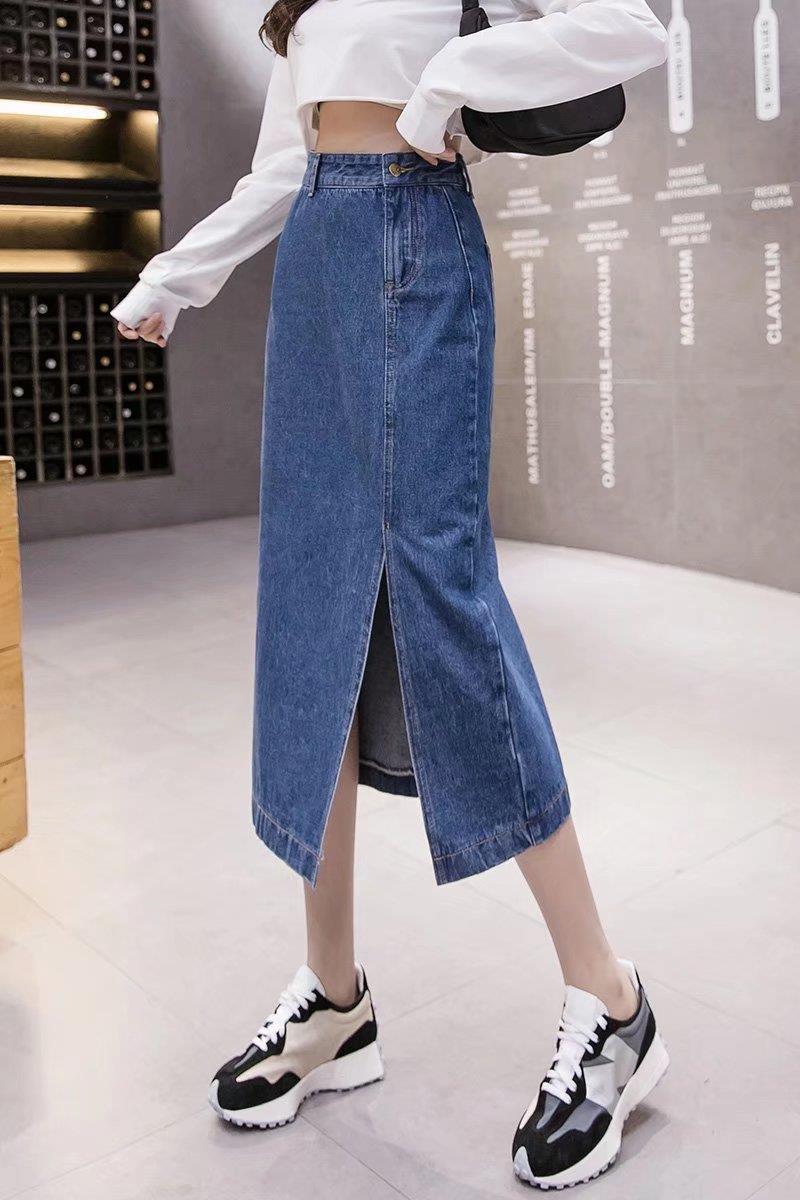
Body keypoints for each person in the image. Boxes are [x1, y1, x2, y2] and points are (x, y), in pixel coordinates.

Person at [113, 1, 669, 1188]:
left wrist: (449, 78)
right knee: (309, 603)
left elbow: (633, 31)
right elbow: (284, 166)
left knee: (442, 600)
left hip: (418, 242)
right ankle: (333, 998)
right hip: (320, 261)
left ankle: (610, 998)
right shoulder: (302, 8)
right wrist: (178, 273)